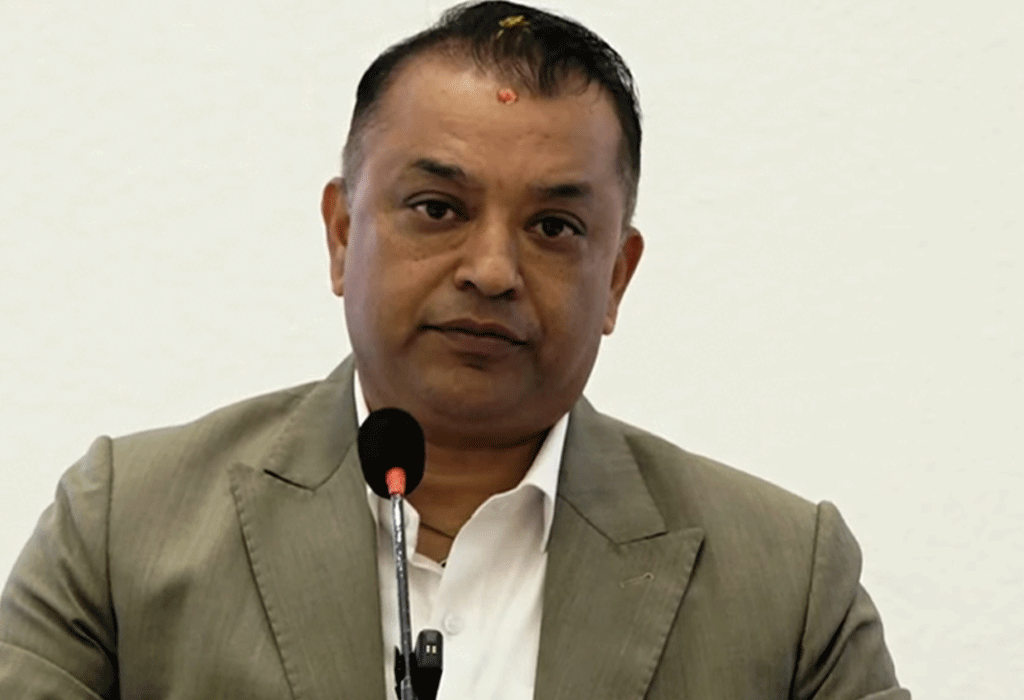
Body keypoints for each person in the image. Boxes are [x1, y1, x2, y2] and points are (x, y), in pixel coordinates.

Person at [0, 2, 910, 698]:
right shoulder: (124, 529)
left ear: (617, 278)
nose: (492, 270)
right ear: (342, 233)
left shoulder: (786, 584)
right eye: (438, 208)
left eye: (554, 227)